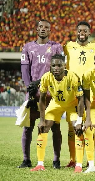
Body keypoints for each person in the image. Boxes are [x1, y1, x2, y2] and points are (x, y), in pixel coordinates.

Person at [20, 19, 63, 169]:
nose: (43, 29)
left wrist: (40, 82)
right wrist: (28, 88)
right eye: (40, 27)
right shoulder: (27, 47)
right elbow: (25, 70)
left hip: (51, 94)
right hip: (33, 94)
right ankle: (26, 160)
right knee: (28, 127)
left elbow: (60, 69)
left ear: (50, 31)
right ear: (36, 29)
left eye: (46, 27)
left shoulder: (57, 47)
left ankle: (56, 160)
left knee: (55, 127)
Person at [30, 54, 84, 172]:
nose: (56, 68)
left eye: (59, 65)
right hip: (56, 104)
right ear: (50, 66)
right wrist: (42, 120)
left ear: (64, 66)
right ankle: (40, 164)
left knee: (77, 128)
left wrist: (80, 121)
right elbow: (42, 99)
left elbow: (81, 99)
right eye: (53, 65)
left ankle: (78, 165)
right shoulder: (46, 77)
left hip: (72, 103)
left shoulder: (73, 77)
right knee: (43, 128)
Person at [63, 21, 95, 168]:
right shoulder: (68, 46)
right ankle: (73, 159)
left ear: (89, 32)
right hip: (72, 90)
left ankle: (89, 159)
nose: (82, 32)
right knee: (71, 126)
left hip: (90, 90)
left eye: (85, 30)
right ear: (76, 31)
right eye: (80, 30)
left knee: (90, 125)